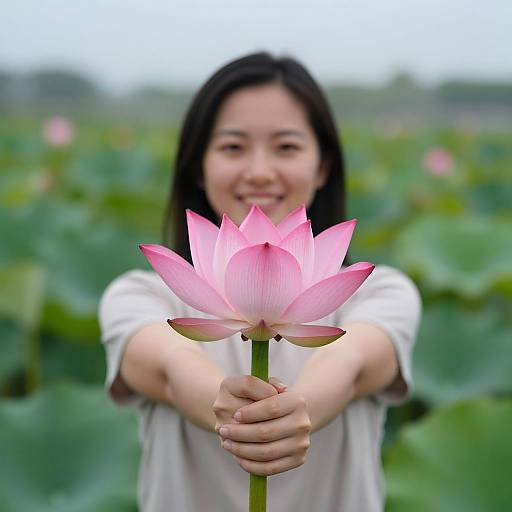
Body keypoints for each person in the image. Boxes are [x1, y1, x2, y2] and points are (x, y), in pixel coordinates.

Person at [99, 52, 421, 512]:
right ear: (198, 165)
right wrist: (225, 404)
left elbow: (351, 364)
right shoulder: (141, 295)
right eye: (233, 147)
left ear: (323, 165)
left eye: (286, 147)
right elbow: (171, 369)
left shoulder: (378, 293)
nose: (259, 171)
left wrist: (298, 410)